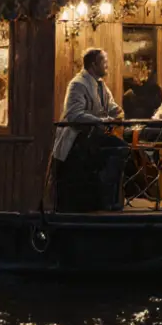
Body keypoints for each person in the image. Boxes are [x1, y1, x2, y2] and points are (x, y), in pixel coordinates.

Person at [51, 47, 127, 212]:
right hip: (77, 138)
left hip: (93, 136)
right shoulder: (78, 84)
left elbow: (110, 105)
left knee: (120, 148)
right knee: (117, 149)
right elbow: (74, 115)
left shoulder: (100, 84)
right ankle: (104, 199)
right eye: (104, 62)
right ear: (94, 64)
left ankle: (106, 199)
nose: (107, 66)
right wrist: (102, 121)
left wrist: (119, 113)